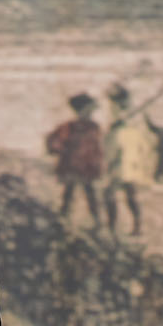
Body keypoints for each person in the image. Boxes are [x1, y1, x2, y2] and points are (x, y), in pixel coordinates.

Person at [103, 83, 156, 237]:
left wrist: (119, 125)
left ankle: (123, 227)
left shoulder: (127, 113)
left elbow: (131, 133)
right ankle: (124, 227)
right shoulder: (118, 111)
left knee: (118, 193)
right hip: (121, 156)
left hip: (124, 157)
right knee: (123, 193)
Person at [46, 92, 103, 228]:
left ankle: (96, 221)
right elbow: (53, 141)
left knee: (90, 194)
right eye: (88, 109)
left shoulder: (94, 127)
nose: (90, 113)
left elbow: (97, 148)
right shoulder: (69, 127)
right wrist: (60, 150)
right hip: (71, 166)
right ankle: (63, 219)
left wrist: (97, 164)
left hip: (87, 167)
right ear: (81, 110)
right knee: (69, 193)